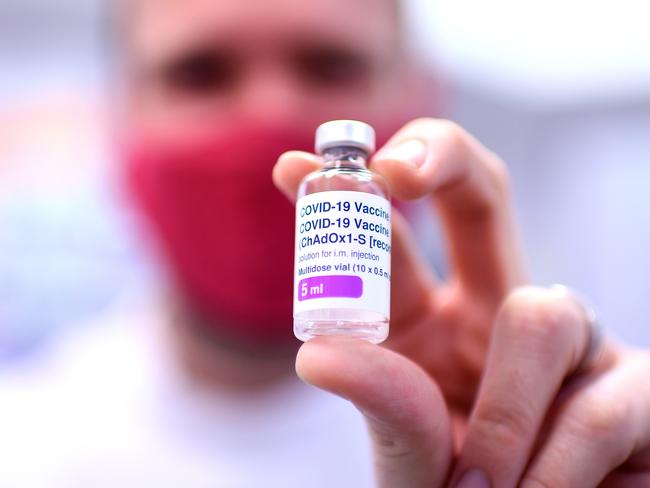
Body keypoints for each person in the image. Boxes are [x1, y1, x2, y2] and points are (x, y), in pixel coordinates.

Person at [2, 0, 650, 486]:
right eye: (200, 72)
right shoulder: (25, 448)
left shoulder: (515, 415)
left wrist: (558, 450)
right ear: (118, 117)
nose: (270, 113)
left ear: (424, 101)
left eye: (329, 64)